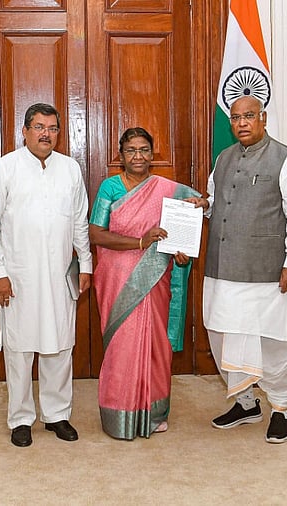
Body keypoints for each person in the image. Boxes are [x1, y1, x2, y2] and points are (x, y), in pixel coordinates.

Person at [202, 95, 287, 444]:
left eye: (249, 116)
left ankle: (280, 408)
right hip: (223, 269)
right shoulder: (223, 158)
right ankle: (246, 403)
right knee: (223, 338)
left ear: (263, 118)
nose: (242, 123)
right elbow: (216, 204)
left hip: (267, 272)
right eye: (236, 118)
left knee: (273, 344)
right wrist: (200, 206)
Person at [0, 103, 93, 447]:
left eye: (52, 128)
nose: (45, 134)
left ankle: (57, 414)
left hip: (61, 274)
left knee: (60, 344)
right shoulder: (4, 168)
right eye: (38, 127)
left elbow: (79, 221)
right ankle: (20, 418)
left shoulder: (70, 169)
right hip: (18, 277)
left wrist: (86, 265)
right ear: (25, 131)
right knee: (19, 347)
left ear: (59, 133)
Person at [89, 127, 200, 440]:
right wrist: (139, 241)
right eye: (131, 151)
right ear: (121, 156)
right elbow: (96, 233)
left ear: (152, 154)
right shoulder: (110, 188)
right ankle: (118, 411)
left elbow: (196, 203)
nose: (138, 156)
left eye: (143, 150)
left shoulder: (166, 188)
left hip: (155, 276)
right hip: (117, 276)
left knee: (154, 344)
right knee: (121, 345)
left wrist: (189, 230)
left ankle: (154, 411)